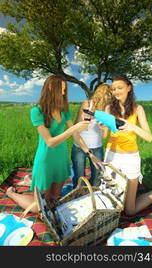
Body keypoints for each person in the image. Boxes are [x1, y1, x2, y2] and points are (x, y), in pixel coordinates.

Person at [6, 75, 101, 213]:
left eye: (64, 90)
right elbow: (50, 142)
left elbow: (76, 135)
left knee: (54, 200)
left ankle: (29, 181)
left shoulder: (64, 110)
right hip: (46, 160)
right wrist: (74, 128)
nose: (63, 93)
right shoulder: (37, 111)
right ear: (50, 88)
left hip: (61, 159)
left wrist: (89, 153)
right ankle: (11, 193)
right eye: (61, 89)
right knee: (40, 207)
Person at [103, 75, 152, 216]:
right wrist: (100, 126)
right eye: (113, 89)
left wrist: (131, 126)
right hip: (111, 157)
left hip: (130, 159)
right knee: (112, 202)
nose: (116, 92)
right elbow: (103, 135)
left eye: (120, 88)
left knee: (129, 210)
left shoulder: (137, 109)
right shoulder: (109, 108)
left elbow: (148, 137)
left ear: (129, 88)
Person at [71, 84, 112, 187]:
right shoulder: (87, 104)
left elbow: (103, 136)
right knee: (80, 178)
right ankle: (79, 196)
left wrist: (102, 126)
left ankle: (94, 198)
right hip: (79, 146)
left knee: (97, 178)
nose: (104, 100)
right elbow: (75, 127)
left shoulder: (107, 109)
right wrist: (85, 121)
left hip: (97, 148)